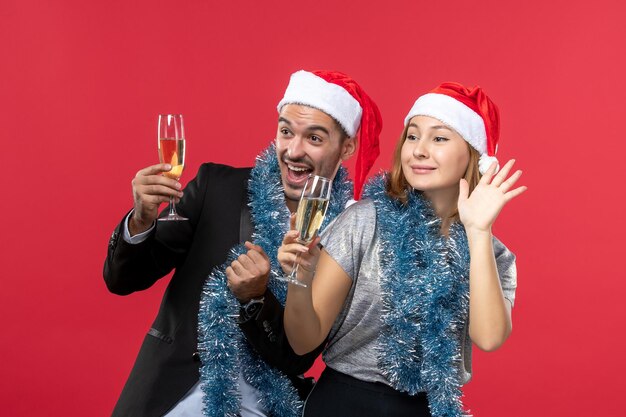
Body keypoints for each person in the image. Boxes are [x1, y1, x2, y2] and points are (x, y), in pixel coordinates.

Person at [103, 70, 382, 417]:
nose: (294, 151)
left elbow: (297, 357)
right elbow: (123, 281)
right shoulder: (216, 188)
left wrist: (256, 298)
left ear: (347, 146)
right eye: (286, 132)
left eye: (314, 138)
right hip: (170, 397)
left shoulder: (349, 232)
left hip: (267, 406)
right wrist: (140, 221)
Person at [279, 82, 525, 417]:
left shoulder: (495, 255)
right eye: (412, 136)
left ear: (474, 155)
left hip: (430, 408)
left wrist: (479, 232)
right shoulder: (365, 222)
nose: (419, 150)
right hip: (343, 404)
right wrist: (300, 278)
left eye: (439, 138)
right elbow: (303, 341)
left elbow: (489, 337)